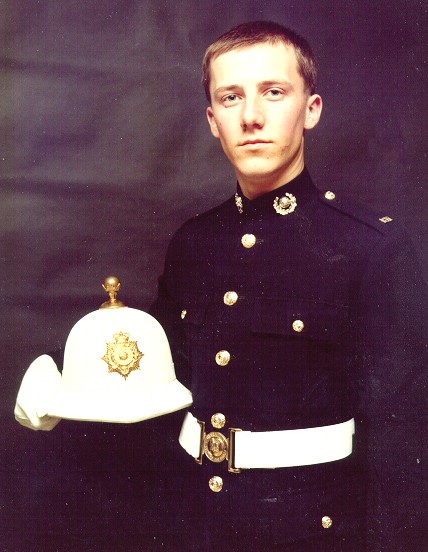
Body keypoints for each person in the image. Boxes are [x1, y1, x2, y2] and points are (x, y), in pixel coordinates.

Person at [150, 20, 428, 551]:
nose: (251, 116)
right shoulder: (193, 241)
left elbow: (403, 444)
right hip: (196, 522)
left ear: (311, 109)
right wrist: (59, 363)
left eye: (273, 92)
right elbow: (161, 363)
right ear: (213, 120)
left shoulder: (373, 248)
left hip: (309, 529)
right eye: (230, 98)